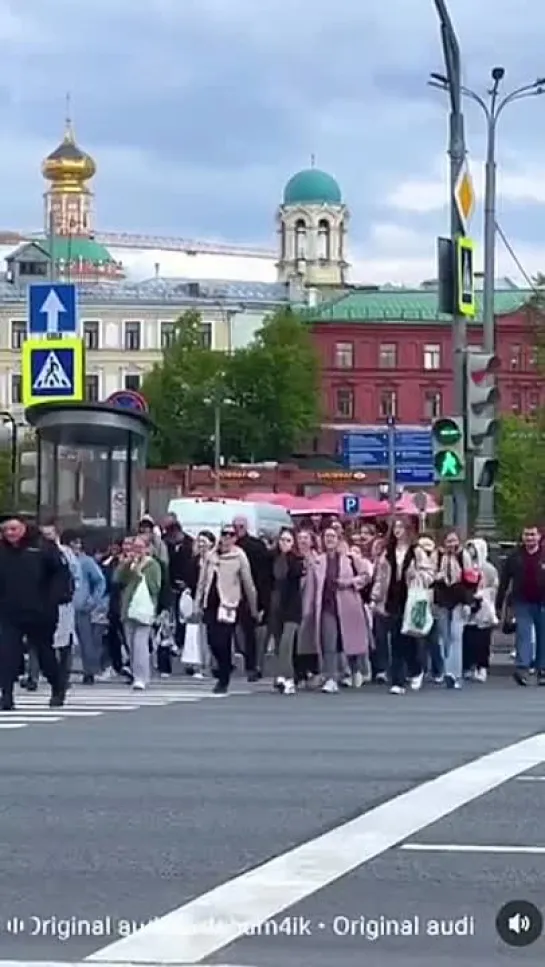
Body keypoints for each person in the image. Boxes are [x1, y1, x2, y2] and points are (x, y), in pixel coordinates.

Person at [0, 515, 71, 710]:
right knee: (7, 654)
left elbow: (61, 574)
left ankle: (57, 687)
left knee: (44, 653)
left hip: (41, 611)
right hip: (10, 612)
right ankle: (6, 696)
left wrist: (55, 598)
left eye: (13, 529)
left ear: (23, 528)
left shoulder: (43, 547)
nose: (9, 534)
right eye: (5, 530)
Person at [371, 518, 432, 695]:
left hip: (410, 597)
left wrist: (417, 575)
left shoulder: (417, 551)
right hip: (392, 598)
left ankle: (415, 669)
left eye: (400, 527)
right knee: (396, 638)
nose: (397, 530)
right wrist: (375, 597)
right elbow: (380, 577)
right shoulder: (387, 552)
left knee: (408, 639)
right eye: (395, 527)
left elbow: (429, 574)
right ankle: (397, 680)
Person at [196, 525, 258, 694]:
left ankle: (223, 678)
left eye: (231, 535)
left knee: (223, 640)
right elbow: (202, 583)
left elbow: (248, 583)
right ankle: (225, 665)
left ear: (235, 539)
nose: (227, 538)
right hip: (211, 603)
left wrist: (254, 607)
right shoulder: (211, 556)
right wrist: (198, 603)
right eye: (225, 534)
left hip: (228, 604)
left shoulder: (239, 556)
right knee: (211, 641)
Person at [313, 525, 373, 694]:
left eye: (332, 536)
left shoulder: (350, 558)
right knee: (329, 642)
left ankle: (355, 670)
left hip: (348, 605)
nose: (329, 539)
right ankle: (331, 678)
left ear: (338, 539)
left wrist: (349, 582)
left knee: (349, 641)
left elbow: (366, 576)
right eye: (326, 536)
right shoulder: (319, 561)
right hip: (327, 606)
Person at [497, 524, 545, 686]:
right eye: (526, 535)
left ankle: (542, 669)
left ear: (539, 536)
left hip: (542, 601)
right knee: (523, 635)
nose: (529, 538)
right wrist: (499, 602)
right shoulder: (515, 556)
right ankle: (522, 668)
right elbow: (504, 580)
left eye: (533, 534)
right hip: (521, 600)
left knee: (542, 636)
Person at [114, 534, 162, 690]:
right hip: (128, 608)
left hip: (144, 609)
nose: (137, 551)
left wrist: (140, 574)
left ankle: (141, 677)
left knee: (140, 643)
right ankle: (138, 674)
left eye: (140, 548)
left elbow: (155, 587)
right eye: (135, 548)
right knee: (131, 644)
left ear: (148, 549)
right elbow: (117, 579)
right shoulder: (130, 564)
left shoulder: (153, 565)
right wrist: (126, 564)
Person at [63, 532, 107, 685]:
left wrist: (93, 601)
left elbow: (100, 581)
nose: (76, 546)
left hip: (81, 607)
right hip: (64, 606)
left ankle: (90, 671)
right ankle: (64, 671)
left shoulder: (86, 562)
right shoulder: (62, 559)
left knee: (86, 641)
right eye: (72, 543)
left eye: (78, 543)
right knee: (64, 641)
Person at [233, 515, 272, 681]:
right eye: (236, 526)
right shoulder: (229, 547)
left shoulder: (256, 547)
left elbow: (264, 576)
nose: (238, 529)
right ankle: (243, 663)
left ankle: (254, 666)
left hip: (251, 595)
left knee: (251, 633)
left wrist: (262, 601)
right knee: (236, 633)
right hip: (233, 594)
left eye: (241, 526)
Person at [433, 530, 474, 689]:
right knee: (445, 636)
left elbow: (469, 580)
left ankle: (454, 673)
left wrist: (468, 603)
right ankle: (447, 670)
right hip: (442, 598)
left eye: (454, 541)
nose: (451, 544)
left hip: (459, 598)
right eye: (448, 541)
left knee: (457, 635)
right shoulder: (437, 557)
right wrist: (438, 576)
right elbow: (431, 576)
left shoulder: (464, 556)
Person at [269, 528, 305, 695]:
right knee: (278, 644)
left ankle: (289, 678)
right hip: (276, 607)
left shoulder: (296, 561)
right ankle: (281, 676)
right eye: (282, 540)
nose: (284, 543)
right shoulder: (273, 559)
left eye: (288, 540)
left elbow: (295, 576)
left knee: (286, 644)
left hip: (292, 608)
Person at [463, 538, 498, 683]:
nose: (471, 551)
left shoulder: (489, 569)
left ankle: (482, 667)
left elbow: (494, 587)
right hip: (469, 605)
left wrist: (483, 593)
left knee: (483, 640)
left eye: (473, 548)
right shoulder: (466, 566)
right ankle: (468, 666)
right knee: (468, 638)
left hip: (484, 607)